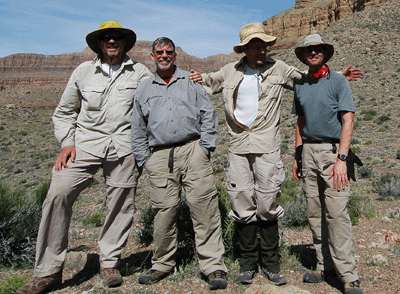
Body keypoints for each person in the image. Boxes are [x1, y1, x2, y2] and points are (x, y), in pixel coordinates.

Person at [189, 22, 361, 286]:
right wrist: (192, 77)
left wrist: (337, 75)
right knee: (241, 203)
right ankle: (247, 265)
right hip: (238, 146)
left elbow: (308, 78)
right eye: (255, 46)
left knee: (268, 204)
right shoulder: (230, 71)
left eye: (264, 46)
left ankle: (271, 264)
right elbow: (207, 82)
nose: (261, 50)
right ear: (244, 49)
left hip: (268, 146)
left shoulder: (279, 68)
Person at [16, 21, 151, 294]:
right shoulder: (83, 72)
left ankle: (109, 263)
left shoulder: (139, 73)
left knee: (121, 203)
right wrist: (67, 143)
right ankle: (48, 272)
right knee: (58, 193)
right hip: (85, 145)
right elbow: (64, 112)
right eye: (106, 38)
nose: (111, 42)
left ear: (124, 42)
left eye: (116, 38)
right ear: (99, 43)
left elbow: (155, 103)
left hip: (124, 147)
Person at [131, 37, 228, 290]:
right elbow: (137, 128)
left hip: (193, 149)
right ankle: (162, 264)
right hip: (159, 156)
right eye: (159, 52)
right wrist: (146, 160)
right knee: (164, 211)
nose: (164, 55)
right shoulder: (143, 88)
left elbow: (208, 113)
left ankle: (213, 265)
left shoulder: (190, 81)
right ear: (152, 56)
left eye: (169, 52)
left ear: (175, 56)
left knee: (203, 207)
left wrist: (206, 147)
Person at [292, 34, 362, 294]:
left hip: (332, 154)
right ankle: (325, 266)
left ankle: (349, 275)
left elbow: (348, 119)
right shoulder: (301, 83)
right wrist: (297, 156)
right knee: (314, 213)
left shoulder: (339, 81)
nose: (313, 53)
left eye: (318, 49)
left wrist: (342, 159)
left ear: (324, 52)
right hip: (308, 152)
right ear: (304, 55)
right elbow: (300, 122)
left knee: (336, 214)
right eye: (309, 50)